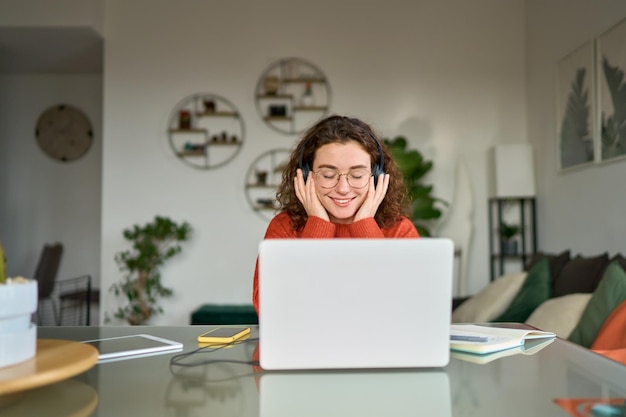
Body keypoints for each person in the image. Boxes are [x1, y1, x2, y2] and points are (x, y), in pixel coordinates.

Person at [252, 115, 419, 314]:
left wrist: (365, 225)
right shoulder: (285, 227)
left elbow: (408, 308)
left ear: (376, 178)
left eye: (357, 175)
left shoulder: (399, 230)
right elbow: (271, 310)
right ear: (307, 176)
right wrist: (318, 225)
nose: (343, 188)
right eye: (328, 175)